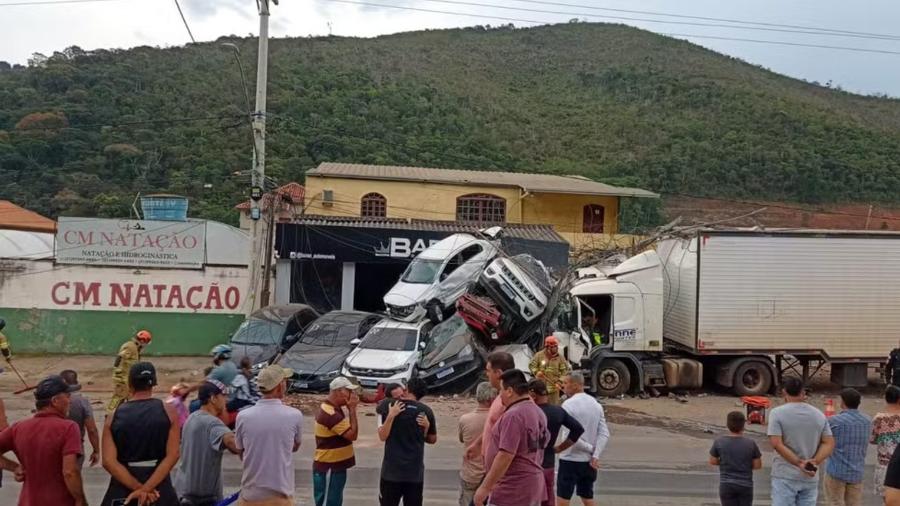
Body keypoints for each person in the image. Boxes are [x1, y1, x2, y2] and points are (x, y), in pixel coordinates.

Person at [101, 362, 180, 506]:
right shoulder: (169, 412)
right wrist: (147, 489)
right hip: (159, 487)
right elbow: (173, 455)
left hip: (124, 487)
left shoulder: (113, 417)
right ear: (153, 384)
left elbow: (108, 461)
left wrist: (138, 489)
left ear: (130, 385)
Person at [0, 375, 85, 506]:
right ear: (55, 400)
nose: (70, 400)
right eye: (67, 396)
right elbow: (70, 472)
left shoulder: (18, 428)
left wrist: (15, 467)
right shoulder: (68, 428)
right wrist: (80, 500)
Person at [474, 369, 550, 506]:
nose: (500, 396)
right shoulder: (539, 412)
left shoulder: (514, 415)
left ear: (509, 391)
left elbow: (505, 455)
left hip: (512, 489)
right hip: (532, 485)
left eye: (501, 391)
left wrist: (485, 488)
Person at [234, 364, 303, 506]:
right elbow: (294, 446)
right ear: (280, 386)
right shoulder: (294, 415)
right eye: (285, 381)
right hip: (282, 498)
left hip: (250, 497)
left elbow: (241, 452)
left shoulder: (243, 416)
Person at [767, 376, 835, 506]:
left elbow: (777, 444)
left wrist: (799, 463)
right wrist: (815, 461)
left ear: (784, 392)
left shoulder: (777, 413)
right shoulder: (818, 415)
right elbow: (829, 443)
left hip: (784, 474)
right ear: (803, 393)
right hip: (810, 476)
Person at [175, 380, 241, 506]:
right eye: (223, 396)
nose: (226, 400)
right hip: (203, 498)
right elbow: (232, 443)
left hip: (183, 492)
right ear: (213, 398)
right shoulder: (212, 423)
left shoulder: (192, 418)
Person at [376, 377, 437, 506]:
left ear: (407, 389)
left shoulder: (388, 406)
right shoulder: (426, 411)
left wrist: (391, 415)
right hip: (414, 474)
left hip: (391, 473)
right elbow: (432, 440)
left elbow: (382, 436)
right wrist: (425, 427)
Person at [528, 379, 584, 506]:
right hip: (548, 462)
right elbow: (578, 429)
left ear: (533, 395)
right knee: (548, 499)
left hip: (529, 464)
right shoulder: (558, 412)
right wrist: (559, 448)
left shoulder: (527, 413)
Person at [558, 371, 610, 506]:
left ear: (575, 385)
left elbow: (569, 436)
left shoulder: (568, 405)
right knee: (587, 497)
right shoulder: (596, 405)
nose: (563, 386)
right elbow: (604, 433)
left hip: (570, 459)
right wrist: (595, 454)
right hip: (589, 462)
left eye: (565, 383)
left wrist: (591, 449)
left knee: (563, 499)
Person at [313, 377, 361, 506]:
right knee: (329, 501)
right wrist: (352, 410)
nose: (352, 395)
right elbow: (352, 435)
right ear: (339, 391)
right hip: (329, 466)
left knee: (335, 500)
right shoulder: (330, 413)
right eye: (349, 391)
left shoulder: (332, 409)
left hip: (335, 465)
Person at [465, 351, 516, 466]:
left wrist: (488, 483)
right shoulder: (500, 396)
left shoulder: (509, 401)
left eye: (488, 370)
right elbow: (494, 427)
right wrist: (478, 444)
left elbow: (507, 452)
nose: (487, 374)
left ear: (498, 373)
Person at [823, 388, 870, 506]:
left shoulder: (834, 421)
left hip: (836, 470)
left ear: (842, 402)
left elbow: (823, 439)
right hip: (857, 472)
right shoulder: (867, 421)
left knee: (834, 502)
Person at [709, 411, 762, 506]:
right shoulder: (751, 443)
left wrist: (725, 462)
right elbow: (757, 465)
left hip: (726, 484)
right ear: (743, 426)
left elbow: (713, 461)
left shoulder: (719, 442)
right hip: (745, 484)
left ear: (727, 425)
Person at [458, 382, 497, 506]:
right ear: (492, 399)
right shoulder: (499, 419)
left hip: (471, 473)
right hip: (491, 474)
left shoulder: (465, 419)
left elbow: (462, 439)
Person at [60, 369, 100, 468]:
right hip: (76, 447)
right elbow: (92, 430)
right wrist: (96, 450)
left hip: (54, 446)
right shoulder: (82, 402)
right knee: (73, 477)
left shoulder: (53, 401)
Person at [107, 329, 152, 413]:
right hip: (122, 378)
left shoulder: (135, 348)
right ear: (142, 340)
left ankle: (125, 413)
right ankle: (110, 414)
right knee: (119, 397)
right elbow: (120, 358)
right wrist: (119, 375)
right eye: (146, 342)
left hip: (127, 377)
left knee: (129, 397)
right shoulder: (130, 346)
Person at [873, 385, 900, 498]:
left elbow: (873, 440)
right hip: (898, 465)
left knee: (887, 500)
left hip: (883, 467)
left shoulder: (878, 419)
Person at [528, 336, 570, 405]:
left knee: (554, 407)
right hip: (540, 390)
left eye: (556, 346)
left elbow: (565, 372)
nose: (555, 348)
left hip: (553, 391)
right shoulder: (539, 355)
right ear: (547, 347)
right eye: (553, 347)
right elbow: (531, 365)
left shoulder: (560, 358)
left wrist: (559, 382)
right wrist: (536, 372)